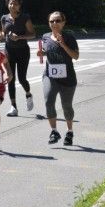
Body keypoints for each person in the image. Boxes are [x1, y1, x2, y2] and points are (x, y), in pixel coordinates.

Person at [36, 11, 79, 146]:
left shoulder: (69, 37)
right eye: (52, 21)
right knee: (49, 101)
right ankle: (54, 131)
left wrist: (63, 44)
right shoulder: (45, 37)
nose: (55, 23)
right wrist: (41, 52)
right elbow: (46, 50)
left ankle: (69, 131)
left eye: (58, 20)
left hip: (68, 77)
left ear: (63, 22)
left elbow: (75, 56)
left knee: (66, 106)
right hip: (50, 75)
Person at [0, 0, 36, 117]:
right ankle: (13, 107)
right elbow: (3, 32)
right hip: (9, 51)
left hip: (23, 51)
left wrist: (19, 37)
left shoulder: (25, 18)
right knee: (10, 78)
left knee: (22, 78)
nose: (12, 5)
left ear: (19, 6)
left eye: (15, 3)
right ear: (7, 5)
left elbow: (32, 34)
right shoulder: (4, 18)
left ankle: (28, 94)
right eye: (10, 3)